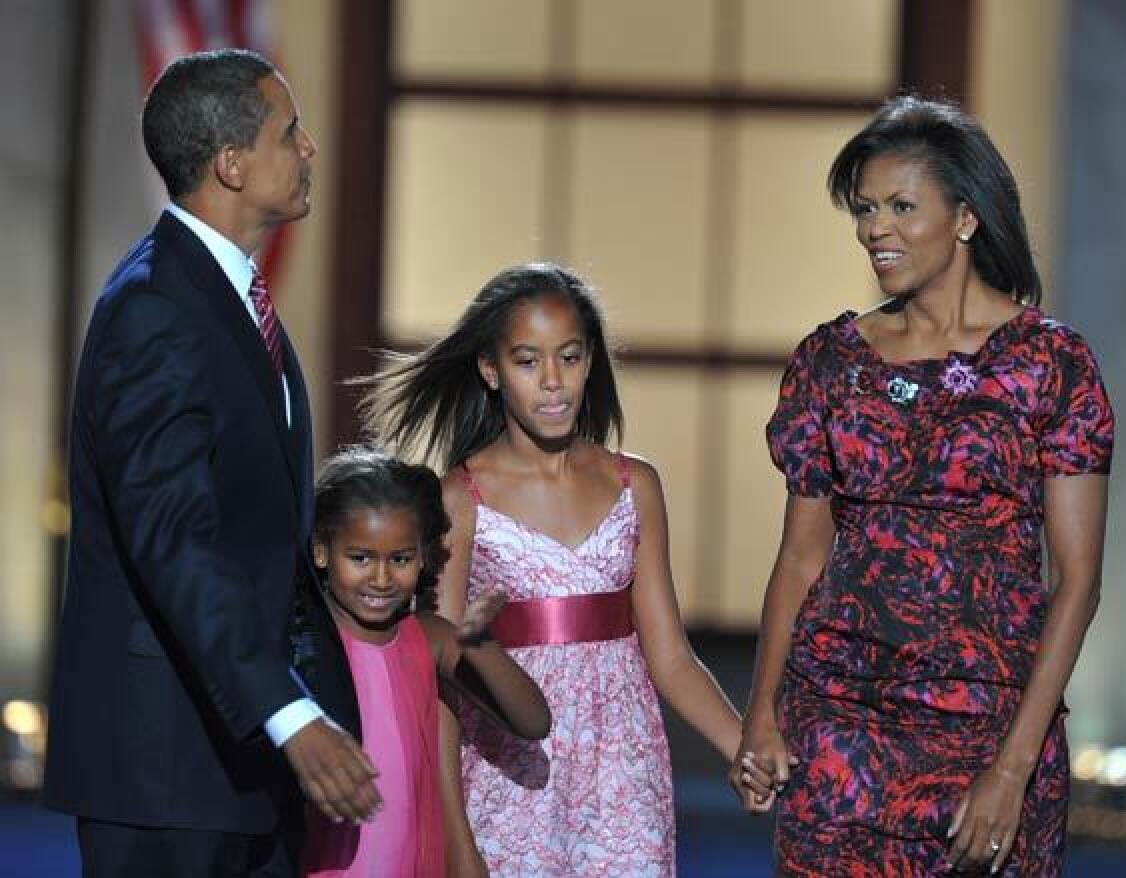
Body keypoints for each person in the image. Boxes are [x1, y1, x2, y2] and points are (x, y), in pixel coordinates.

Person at [732, 95, 1115, 876]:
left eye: (903, 206)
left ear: (965, 218)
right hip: (840, 717)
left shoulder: (1052, 366)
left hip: (992, 722)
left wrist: (1013, 768)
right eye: (866, 208)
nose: (877, 228)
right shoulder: (831, 362)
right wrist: (762, 714)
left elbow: (1076, 581)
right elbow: (801, 559)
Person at [43, 49, 380, 877]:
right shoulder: (155, 308)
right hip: (166, 770)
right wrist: (285, 712)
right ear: (230, 164)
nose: (308, 150)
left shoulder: (223, 296)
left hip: (240, 766)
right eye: (290, 132)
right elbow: (174, 542)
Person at [359, 263, 761, 876]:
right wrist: (453, 833)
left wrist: (743, 748)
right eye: (527, 361)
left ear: (591, 360)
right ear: (491, 372)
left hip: (624, 778)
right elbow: (437, 677)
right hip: (509, 775)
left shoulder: (636, 487)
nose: (553, 382)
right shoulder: (462, 501)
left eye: (569, 358)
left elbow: (672, 659)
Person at [302, 448, 551, 878]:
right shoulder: (303, 642)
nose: (381, 578)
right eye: (360, 558)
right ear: (322, 552)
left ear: (422, 557)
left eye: (399, 559)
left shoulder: (429, 637)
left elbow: (532, 721)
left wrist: (478, 643)